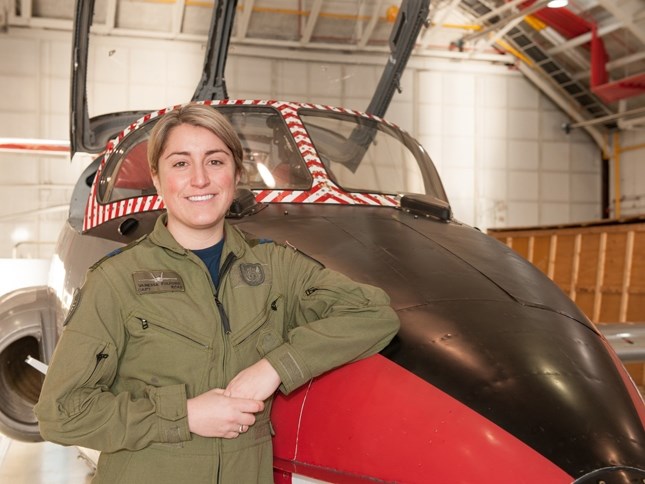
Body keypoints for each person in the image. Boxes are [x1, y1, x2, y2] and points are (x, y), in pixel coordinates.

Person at [34, 103, 400, 483]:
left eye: (215, 161)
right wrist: (184, 414)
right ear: (157, 180)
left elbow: (374, 314)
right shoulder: (116, 279)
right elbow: (61, 413)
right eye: (180, 164)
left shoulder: (276, 267)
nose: (199, 180)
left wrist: (275, 367)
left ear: (236, 174)